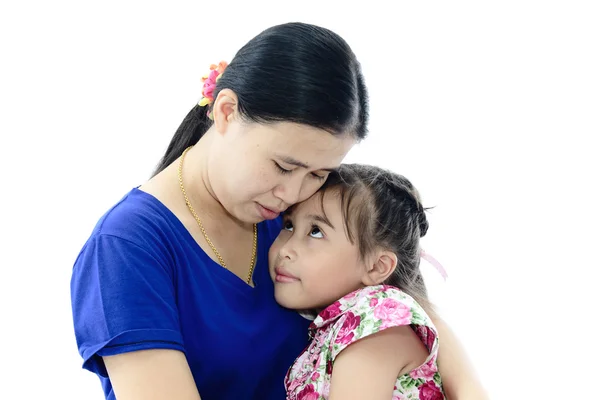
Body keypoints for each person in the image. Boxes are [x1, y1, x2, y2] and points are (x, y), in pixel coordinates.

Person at [70, 22, 486, 400]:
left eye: (318, 173)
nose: (291, 193)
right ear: (226, 111)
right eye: (284, 166)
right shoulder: (127, 248)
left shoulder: (300, 216)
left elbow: (402, 305)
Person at [270, 164, 444, 399]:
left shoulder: (375, 319)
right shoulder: (340, 322)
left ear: (376, 267)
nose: (286, 250)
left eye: (316, 232)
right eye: (288, 225)